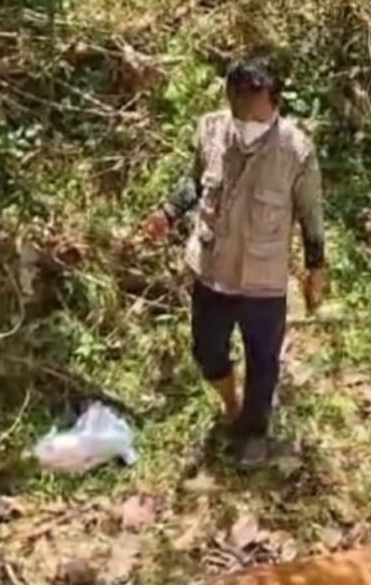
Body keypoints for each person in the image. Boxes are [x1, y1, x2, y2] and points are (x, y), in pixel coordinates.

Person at [146, 58, 326, 468]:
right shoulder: (211, 129)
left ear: (274, 103)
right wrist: (168, 213)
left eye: (253, 105)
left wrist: (317, 266)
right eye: (236, 102)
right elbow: (194, 180)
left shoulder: (295, 150)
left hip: (263, 280)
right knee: (207, 350)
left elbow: (311, 212)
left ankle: (254, 433)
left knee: (263, 363)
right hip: (212, 270)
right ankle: (231, 404)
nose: (243, 114)